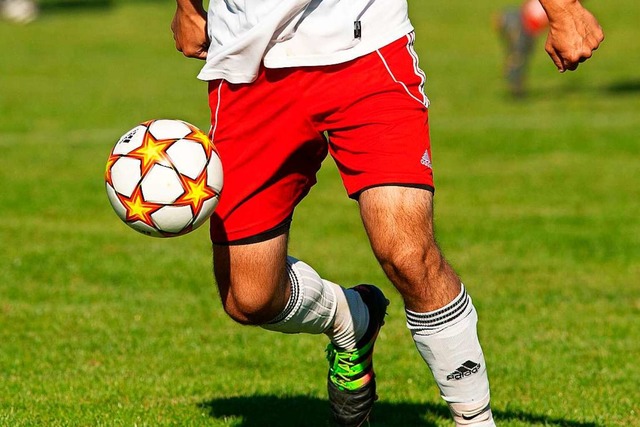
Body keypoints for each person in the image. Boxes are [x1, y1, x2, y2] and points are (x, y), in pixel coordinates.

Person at [171, 1, 603, 426]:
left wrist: (562, 8)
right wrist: (188, 7)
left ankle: (475, 419)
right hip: (248, 64)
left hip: (365, 50)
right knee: (249, 298)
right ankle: (352, 319)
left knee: (408, 254)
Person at [496, 0, 596, 97]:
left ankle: (522, 20)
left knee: (520, 54)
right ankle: (523, 20)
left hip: (528, 23)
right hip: (525, 22)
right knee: (519, 55)